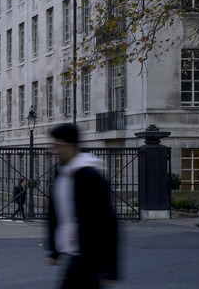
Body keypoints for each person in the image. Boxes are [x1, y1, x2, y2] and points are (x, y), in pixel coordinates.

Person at [46, 123, 118, 289]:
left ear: (73, 146)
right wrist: (53, 250)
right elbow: (54, 212)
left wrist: (112, 269)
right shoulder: (61, 172)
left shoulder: (89, 175)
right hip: (76, 252)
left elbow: (109, 222)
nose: (54, 151)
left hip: (89, 254)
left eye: (59, 146)